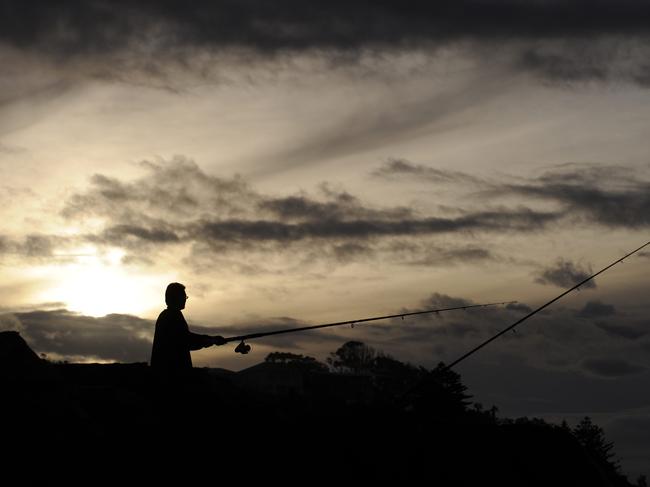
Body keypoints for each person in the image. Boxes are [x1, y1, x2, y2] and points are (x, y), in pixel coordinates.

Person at [150, 282, 226, 375]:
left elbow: (185, 339)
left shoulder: (167, 315)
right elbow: (186, 340)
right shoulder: (172, 316)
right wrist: (211, 340)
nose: (185, 300)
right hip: (171, 375)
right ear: (176, 297)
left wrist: (211, 340)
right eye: (183, 297)